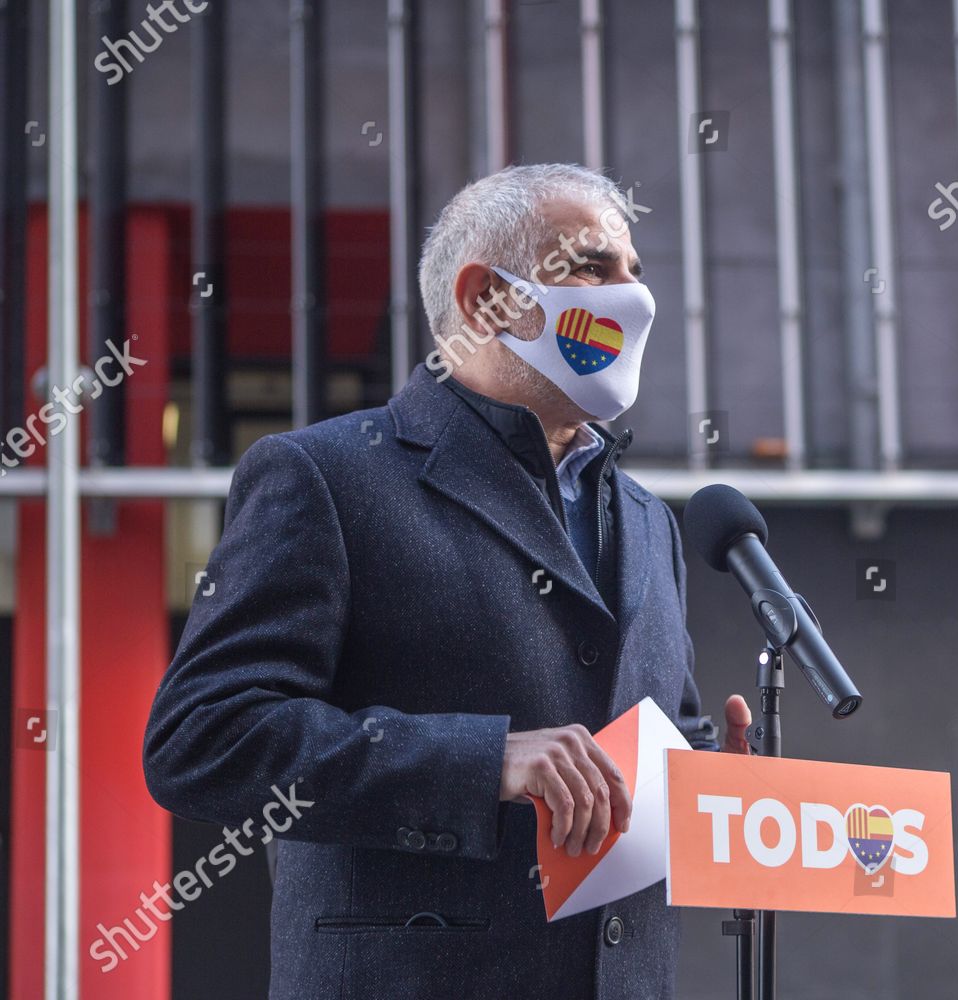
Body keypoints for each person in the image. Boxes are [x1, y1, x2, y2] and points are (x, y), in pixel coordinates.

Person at [143, 163, 752, 998]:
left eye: (636, 272)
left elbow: (651, 746)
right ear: (485, 299)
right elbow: (202, 742)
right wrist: (485, 761)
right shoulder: (324, 477)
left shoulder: (650, 520)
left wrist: (720, 786)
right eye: (593, 267)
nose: (633, 298)